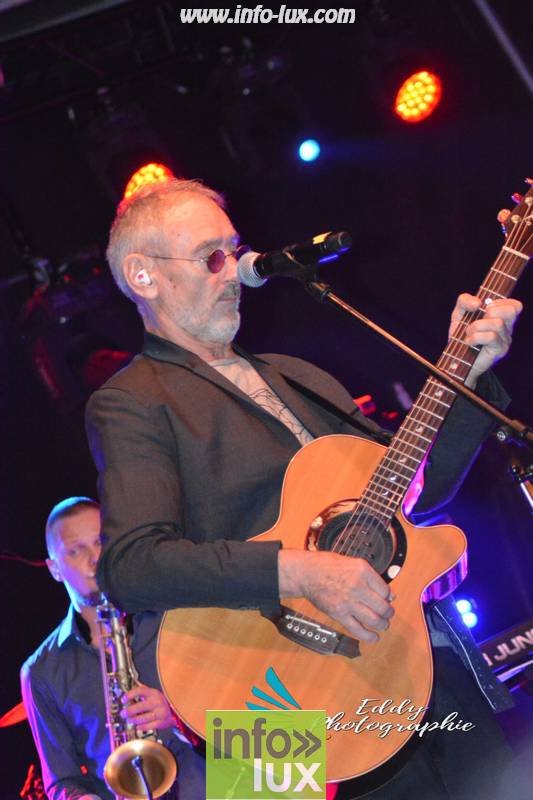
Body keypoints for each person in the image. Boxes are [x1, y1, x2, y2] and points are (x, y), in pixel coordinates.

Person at [85, 178, 523, 798]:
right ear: (143, 275)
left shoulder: (298, 376)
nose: (235, 272)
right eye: (211, 257)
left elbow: (415, 496)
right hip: (266, 703)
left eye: (235, 250)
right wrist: (303, 572)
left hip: (413, 665)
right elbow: (131, 566)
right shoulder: (131, 400)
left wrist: (469, 376)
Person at [20, 496, 206, 800]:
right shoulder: (40, 672)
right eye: (76, 550)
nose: (95, 558)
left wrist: (177, 720)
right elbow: (60, 781)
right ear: (55, 569)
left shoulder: (174, 617)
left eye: (100, 542)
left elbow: (247, 717)